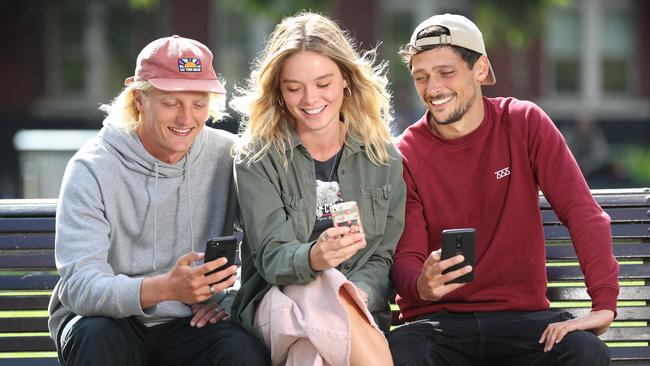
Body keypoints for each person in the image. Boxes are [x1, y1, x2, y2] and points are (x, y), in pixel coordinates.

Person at [388, 14, 619, 366]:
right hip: (437, 328)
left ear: (480, 68)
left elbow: (581, 211)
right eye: (422, 77)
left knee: (585, 353)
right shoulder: (406, 153)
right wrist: (421, 285)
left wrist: (603, 305)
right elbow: (406, 256)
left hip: (523, 324)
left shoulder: (524, 123)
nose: (433, 89)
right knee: (401, 354)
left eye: (446, 73)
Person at [48, 35, 270, 365]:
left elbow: (267, 246)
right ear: (139, 99)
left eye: (198, 104)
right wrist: (165, 289)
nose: (186, 119)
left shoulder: (228, 155)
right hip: (108, 321)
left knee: (243, 351)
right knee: (96, 338)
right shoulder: (92, 167)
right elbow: (80, 286)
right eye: (171, 103)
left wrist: (229, 300)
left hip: (190, 322)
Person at [229, 11, 406, 366]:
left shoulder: (382, 156)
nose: (310, 99)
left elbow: (382, 258)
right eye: (294, 88)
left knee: (310, 349)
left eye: (323, 84)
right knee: (315, 290)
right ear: (278, 91)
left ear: (345, 80)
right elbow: (271, 257)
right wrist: (314, 259)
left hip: (357, 307)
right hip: (276, 302)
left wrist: (350, 294)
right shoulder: (257, 157)